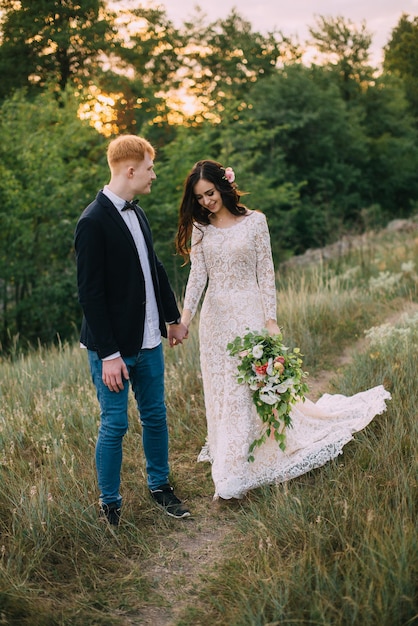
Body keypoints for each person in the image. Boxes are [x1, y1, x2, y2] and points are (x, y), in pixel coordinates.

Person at [175, 159, 391, 501]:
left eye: (210, 193)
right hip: (215, 321)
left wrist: (271, 320)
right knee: (224, 390)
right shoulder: (203, 231)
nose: (206, 202)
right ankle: (231, 459)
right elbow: (197, 278)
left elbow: (267, 273)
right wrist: (184, 322)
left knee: (250, 387)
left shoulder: (255, 222)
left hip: (249, 314)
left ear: (224, 186)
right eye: (200, 197)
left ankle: (244, 463)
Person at [74, 134, 190, 525]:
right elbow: (90, 295)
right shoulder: (91, 221)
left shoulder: (137, 213)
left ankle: (160, 487)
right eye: (150, 168)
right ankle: (110, 504)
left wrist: (172, 319)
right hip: (113, 349)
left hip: (149, 340)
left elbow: (152, 269)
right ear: (131, 169)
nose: (154, 175)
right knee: (116, 424)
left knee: (155, 415)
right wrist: (107, 355)